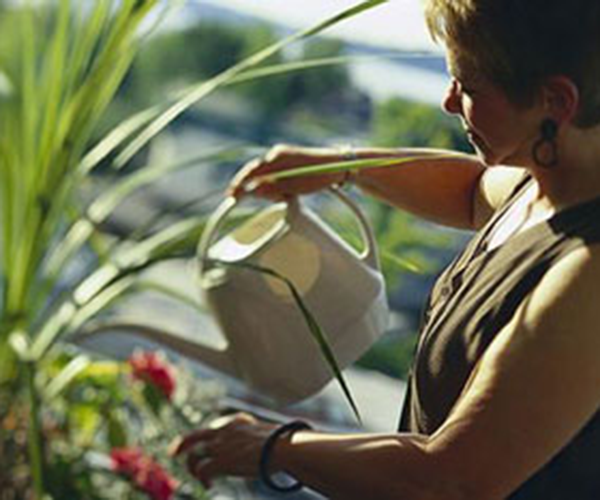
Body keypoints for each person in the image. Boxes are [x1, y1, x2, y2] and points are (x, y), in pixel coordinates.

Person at [172, 0, 600, 498]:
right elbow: (472, 191)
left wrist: (273, 446)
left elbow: (450, 482)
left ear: (556, 101)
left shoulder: (588, 273)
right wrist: (340, 165)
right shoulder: (540, 185)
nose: (448, 100)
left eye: (469, 86)